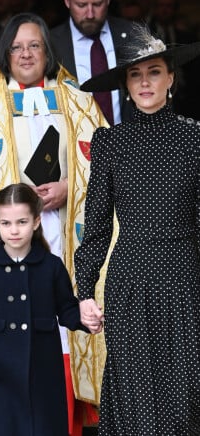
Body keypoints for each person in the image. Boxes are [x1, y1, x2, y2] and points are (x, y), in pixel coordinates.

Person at [0, 12, 106, 435]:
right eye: (17, 47)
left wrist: (71, 187)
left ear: (47, 51)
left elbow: (105, 164)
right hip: (12, 239)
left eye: (34, 45)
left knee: (63, 326)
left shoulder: (76, 97)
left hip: (66, 232)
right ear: (5, 53)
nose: (26, 54)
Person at [74, 27, 200, 434]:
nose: (145, 82)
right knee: (134, 390)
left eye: (155, 72)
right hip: (130, 277)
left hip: (184, 275)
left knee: (185, 391)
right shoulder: (110, 142)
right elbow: (95, 224)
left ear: (171, 78)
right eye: (135, 75)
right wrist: (84, 291)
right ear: (126, 86)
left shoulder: (194, 137)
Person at [0, 183, 91, 435]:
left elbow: (67, 310)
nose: (14, 230)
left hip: (42, 378)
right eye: (6, 223)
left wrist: (87, 318)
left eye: (22, 222)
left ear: (37, 221)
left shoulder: (51, 266)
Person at [50, 0, 137, 125]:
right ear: (67, 0)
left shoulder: (133, 36)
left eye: (97, 4)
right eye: (81, 5)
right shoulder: (49, 44)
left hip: (128, 146)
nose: (90, 14)